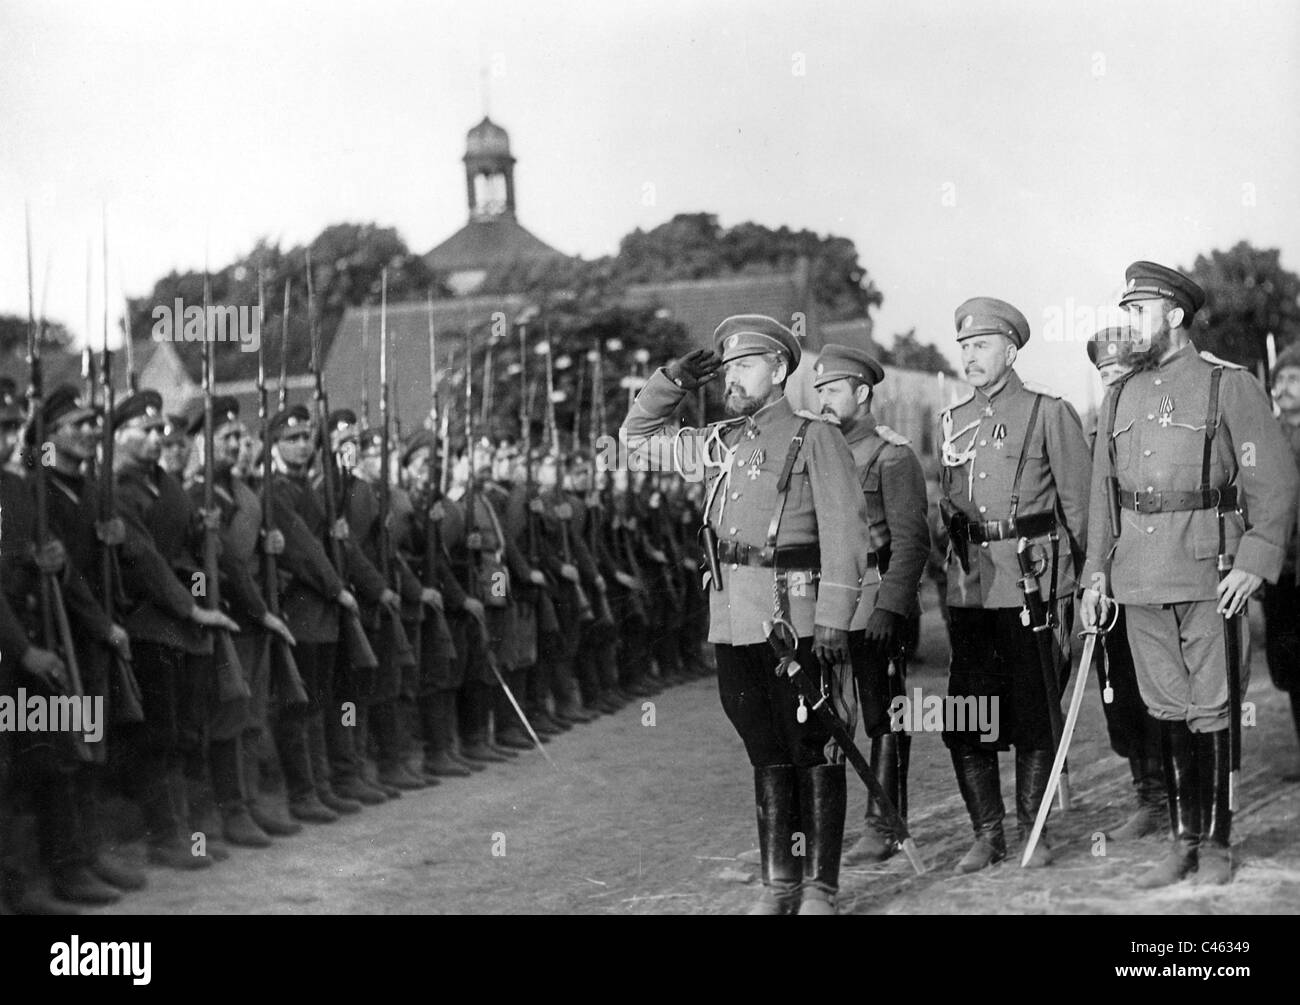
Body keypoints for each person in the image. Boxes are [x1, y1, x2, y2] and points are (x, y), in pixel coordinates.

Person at [622, 314, 870, 915]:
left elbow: (846, 530)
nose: (733, 377)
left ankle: (820, 887)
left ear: (780, 370)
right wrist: (669, 383)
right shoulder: (720, 442)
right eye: (727, 367)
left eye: (746, 365)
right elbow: (633, 442)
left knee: (813, 744)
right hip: (733, 617)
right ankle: (778, 880)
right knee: (764, 746)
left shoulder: (815, 438)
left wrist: (836, 616)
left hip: (797, 619)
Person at [1081, 262, 1300, 886]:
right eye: (1125, 312)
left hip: (1211, 572)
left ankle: (1218, 844)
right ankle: (1181, 841)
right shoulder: (1120, 395)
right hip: (1139, 579)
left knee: (1213, 708)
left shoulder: (1225, 386)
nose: (1129, 325)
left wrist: (1256, 563)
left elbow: (1275, 483)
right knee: (1166, 709)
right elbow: (1104, 495)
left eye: (1139, 312)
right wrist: (1096, 576)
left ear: (1174, 315)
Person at [937, 297, 1092, 871]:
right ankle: (987, 832)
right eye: (964, 347)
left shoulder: (1048, 413)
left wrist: (1088, 583)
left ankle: (1034, 828)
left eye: (981, 346)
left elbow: (1079, 509)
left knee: (1033, 711)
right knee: (967, 715)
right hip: (972, 586)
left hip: (1033, 582)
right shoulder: (951, 422)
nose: (970, 357)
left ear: (1010, 349)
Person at [811, 344, 930, 865]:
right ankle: (825, 826)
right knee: (827, 716)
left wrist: (891, 607)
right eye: (820, 392)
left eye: (833, 391)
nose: (824, 401)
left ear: (862, 393)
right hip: (826, 608)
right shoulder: (819, 449)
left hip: (875, 606)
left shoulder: (892, 455)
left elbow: (911, 543)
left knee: (884, 716)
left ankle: (883, 826)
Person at [1083, 327, 1167, 840]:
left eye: (1121, 373)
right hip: (1109, 586)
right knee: (1121, 695)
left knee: (1165, 690)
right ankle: (1149, 797)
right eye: (1104, 376)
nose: (1113, 385)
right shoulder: (1094, 435)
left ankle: (1184, 795)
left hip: (1157, 578)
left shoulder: (1158, 426)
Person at [1262, 343, 1300, 780]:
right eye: (1279, 380)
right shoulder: (1265, 437)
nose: (1284, 387)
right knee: (1290, 668)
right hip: (1281, 572)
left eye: (1293, 378)